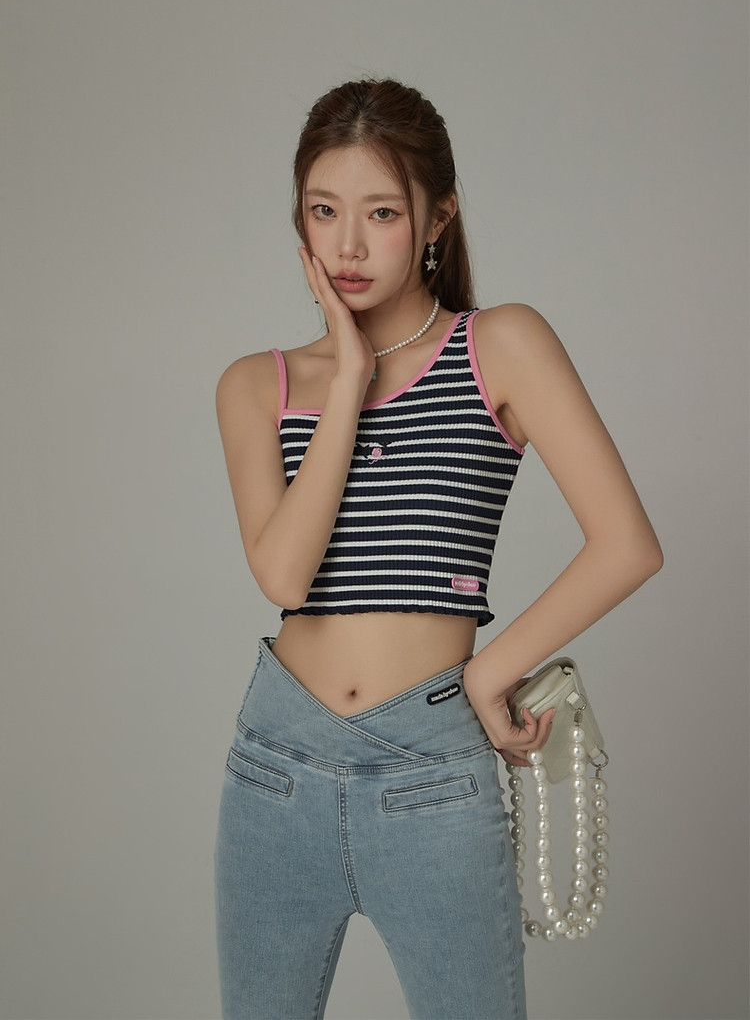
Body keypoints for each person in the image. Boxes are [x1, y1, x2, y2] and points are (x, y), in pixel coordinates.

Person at [213, 77, 663, 1020]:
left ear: (437, 216)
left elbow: (626, 542)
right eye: (323, 210)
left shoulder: (501, 346)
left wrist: (487, 673)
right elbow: (285, 575)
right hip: (275, 768)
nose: (346, 244)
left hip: (433, 769)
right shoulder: (257, 385)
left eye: (380, 212)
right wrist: (349, 373)